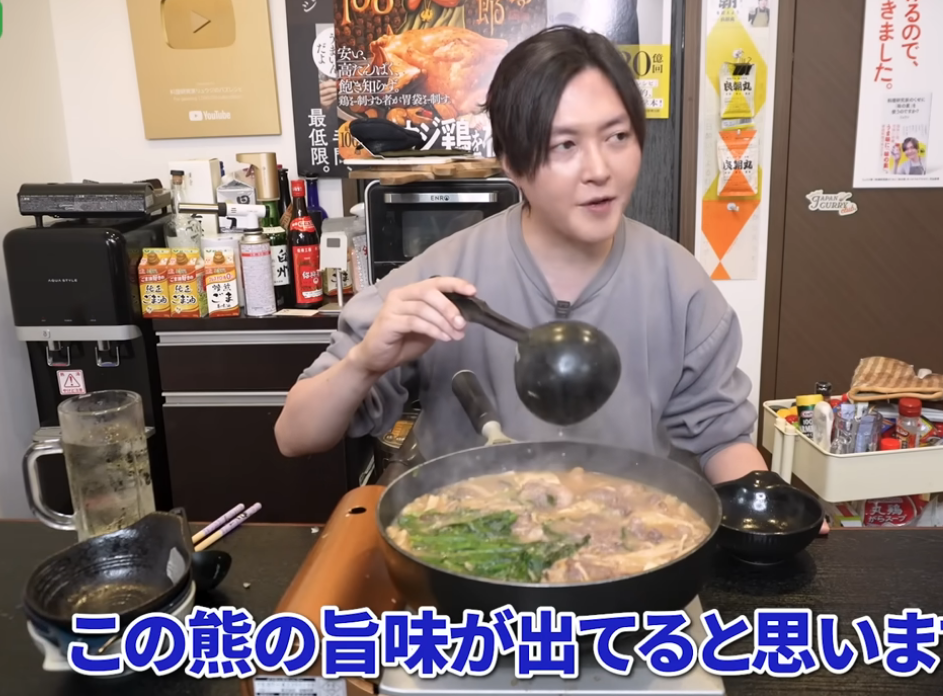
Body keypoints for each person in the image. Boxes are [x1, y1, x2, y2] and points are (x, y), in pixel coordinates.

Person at [275, 25, 768, 488]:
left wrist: (763, 508)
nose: (599, 169)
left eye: (617, 137)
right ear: (512, 163)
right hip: (465, 533)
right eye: (565, 145)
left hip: (629, 531)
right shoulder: (441, 280)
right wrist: (364, 363)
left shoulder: (678, 283)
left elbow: (723, 439)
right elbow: (294, 437)